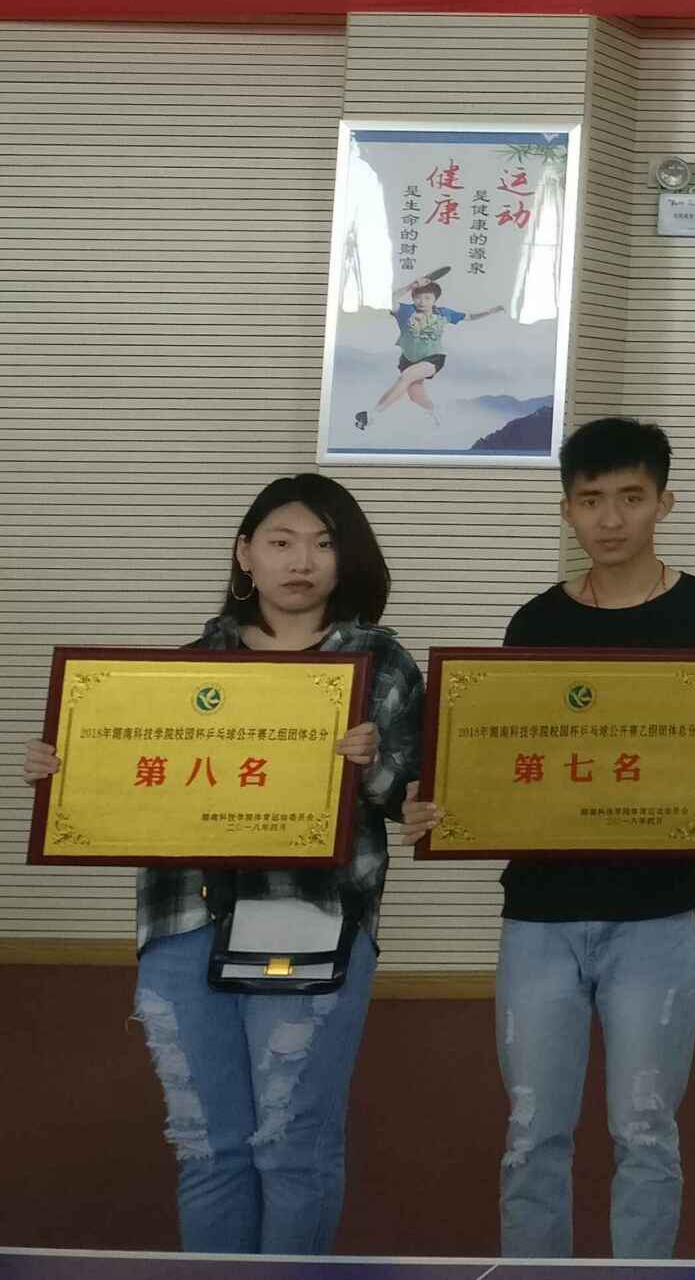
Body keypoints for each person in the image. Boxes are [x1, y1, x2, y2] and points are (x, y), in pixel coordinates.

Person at [19, 474, 423, 1252]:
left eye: (323, 542)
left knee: (292, 1147)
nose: (300, 560)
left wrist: (368, 762)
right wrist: (63, 770)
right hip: (184, 919)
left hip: (314, 922)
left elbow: (414, 799)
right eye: (280, 541)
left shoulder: (378, 660)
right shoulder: (182, 671)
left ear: (346, 558)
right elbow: (124, 786)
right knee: (208, 1148)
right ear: (245, 554)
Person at [400, 416, 695, 1258]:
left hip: (656, 912)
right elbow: (496, 753)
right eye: (591, 498)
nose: (610, 518)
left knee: (645, 1129)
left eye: (631, 497)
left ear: (664, 502)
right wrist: (445, 799)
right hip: (539, 912)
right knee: (533, 1130)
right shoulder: (535, 622)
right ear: (566, 508)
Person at [357, 267, 502, 431]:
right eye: (418, 297)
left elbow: (469, 317)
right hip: (408, 359)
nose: (422, 301)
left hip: (433, 358)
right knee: (415, 394)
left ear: (435, 299)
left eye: (427, 297)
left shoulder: (444, 313)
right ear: (413, 298)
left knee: (406, 376)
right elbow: (386, 300)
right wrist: (410, 286)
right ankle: (436, 412)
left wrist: (489, 312)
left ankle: (372, 415)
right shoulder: (405, 311)